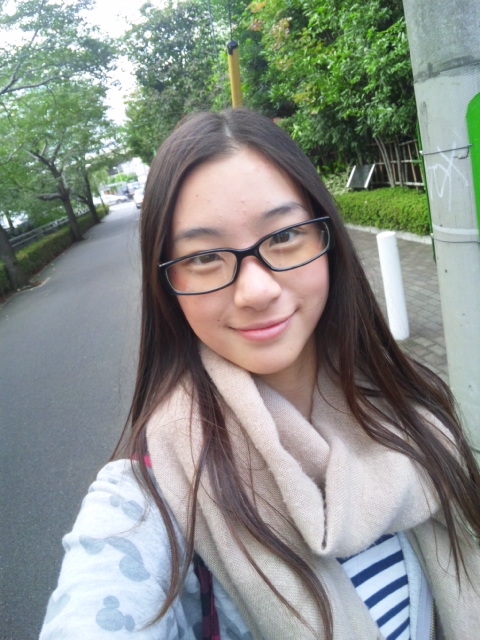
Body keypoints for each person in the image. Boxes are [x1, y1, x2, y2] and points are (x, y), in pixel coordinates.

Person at [40, 109, 480, 640]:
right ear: (167, 287)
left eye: (286, 235)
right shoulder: (146, 502)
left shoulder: (412, 411)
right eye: (204, 257)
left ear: (328, 239)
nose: (257, 291)